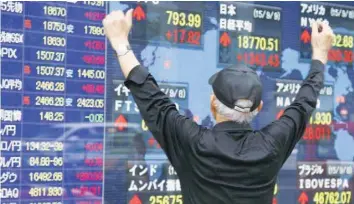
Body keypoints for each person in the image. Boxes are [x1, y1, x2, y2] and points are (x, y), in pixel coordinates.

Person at [103, 9, 334, 204]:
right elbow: (305, 102)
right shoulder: (271, 145)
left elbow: (151, 97)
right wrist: (320, 53)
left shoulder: (192, 142)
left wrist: (121, 43)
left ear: (213, 104)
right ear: (258, 107)